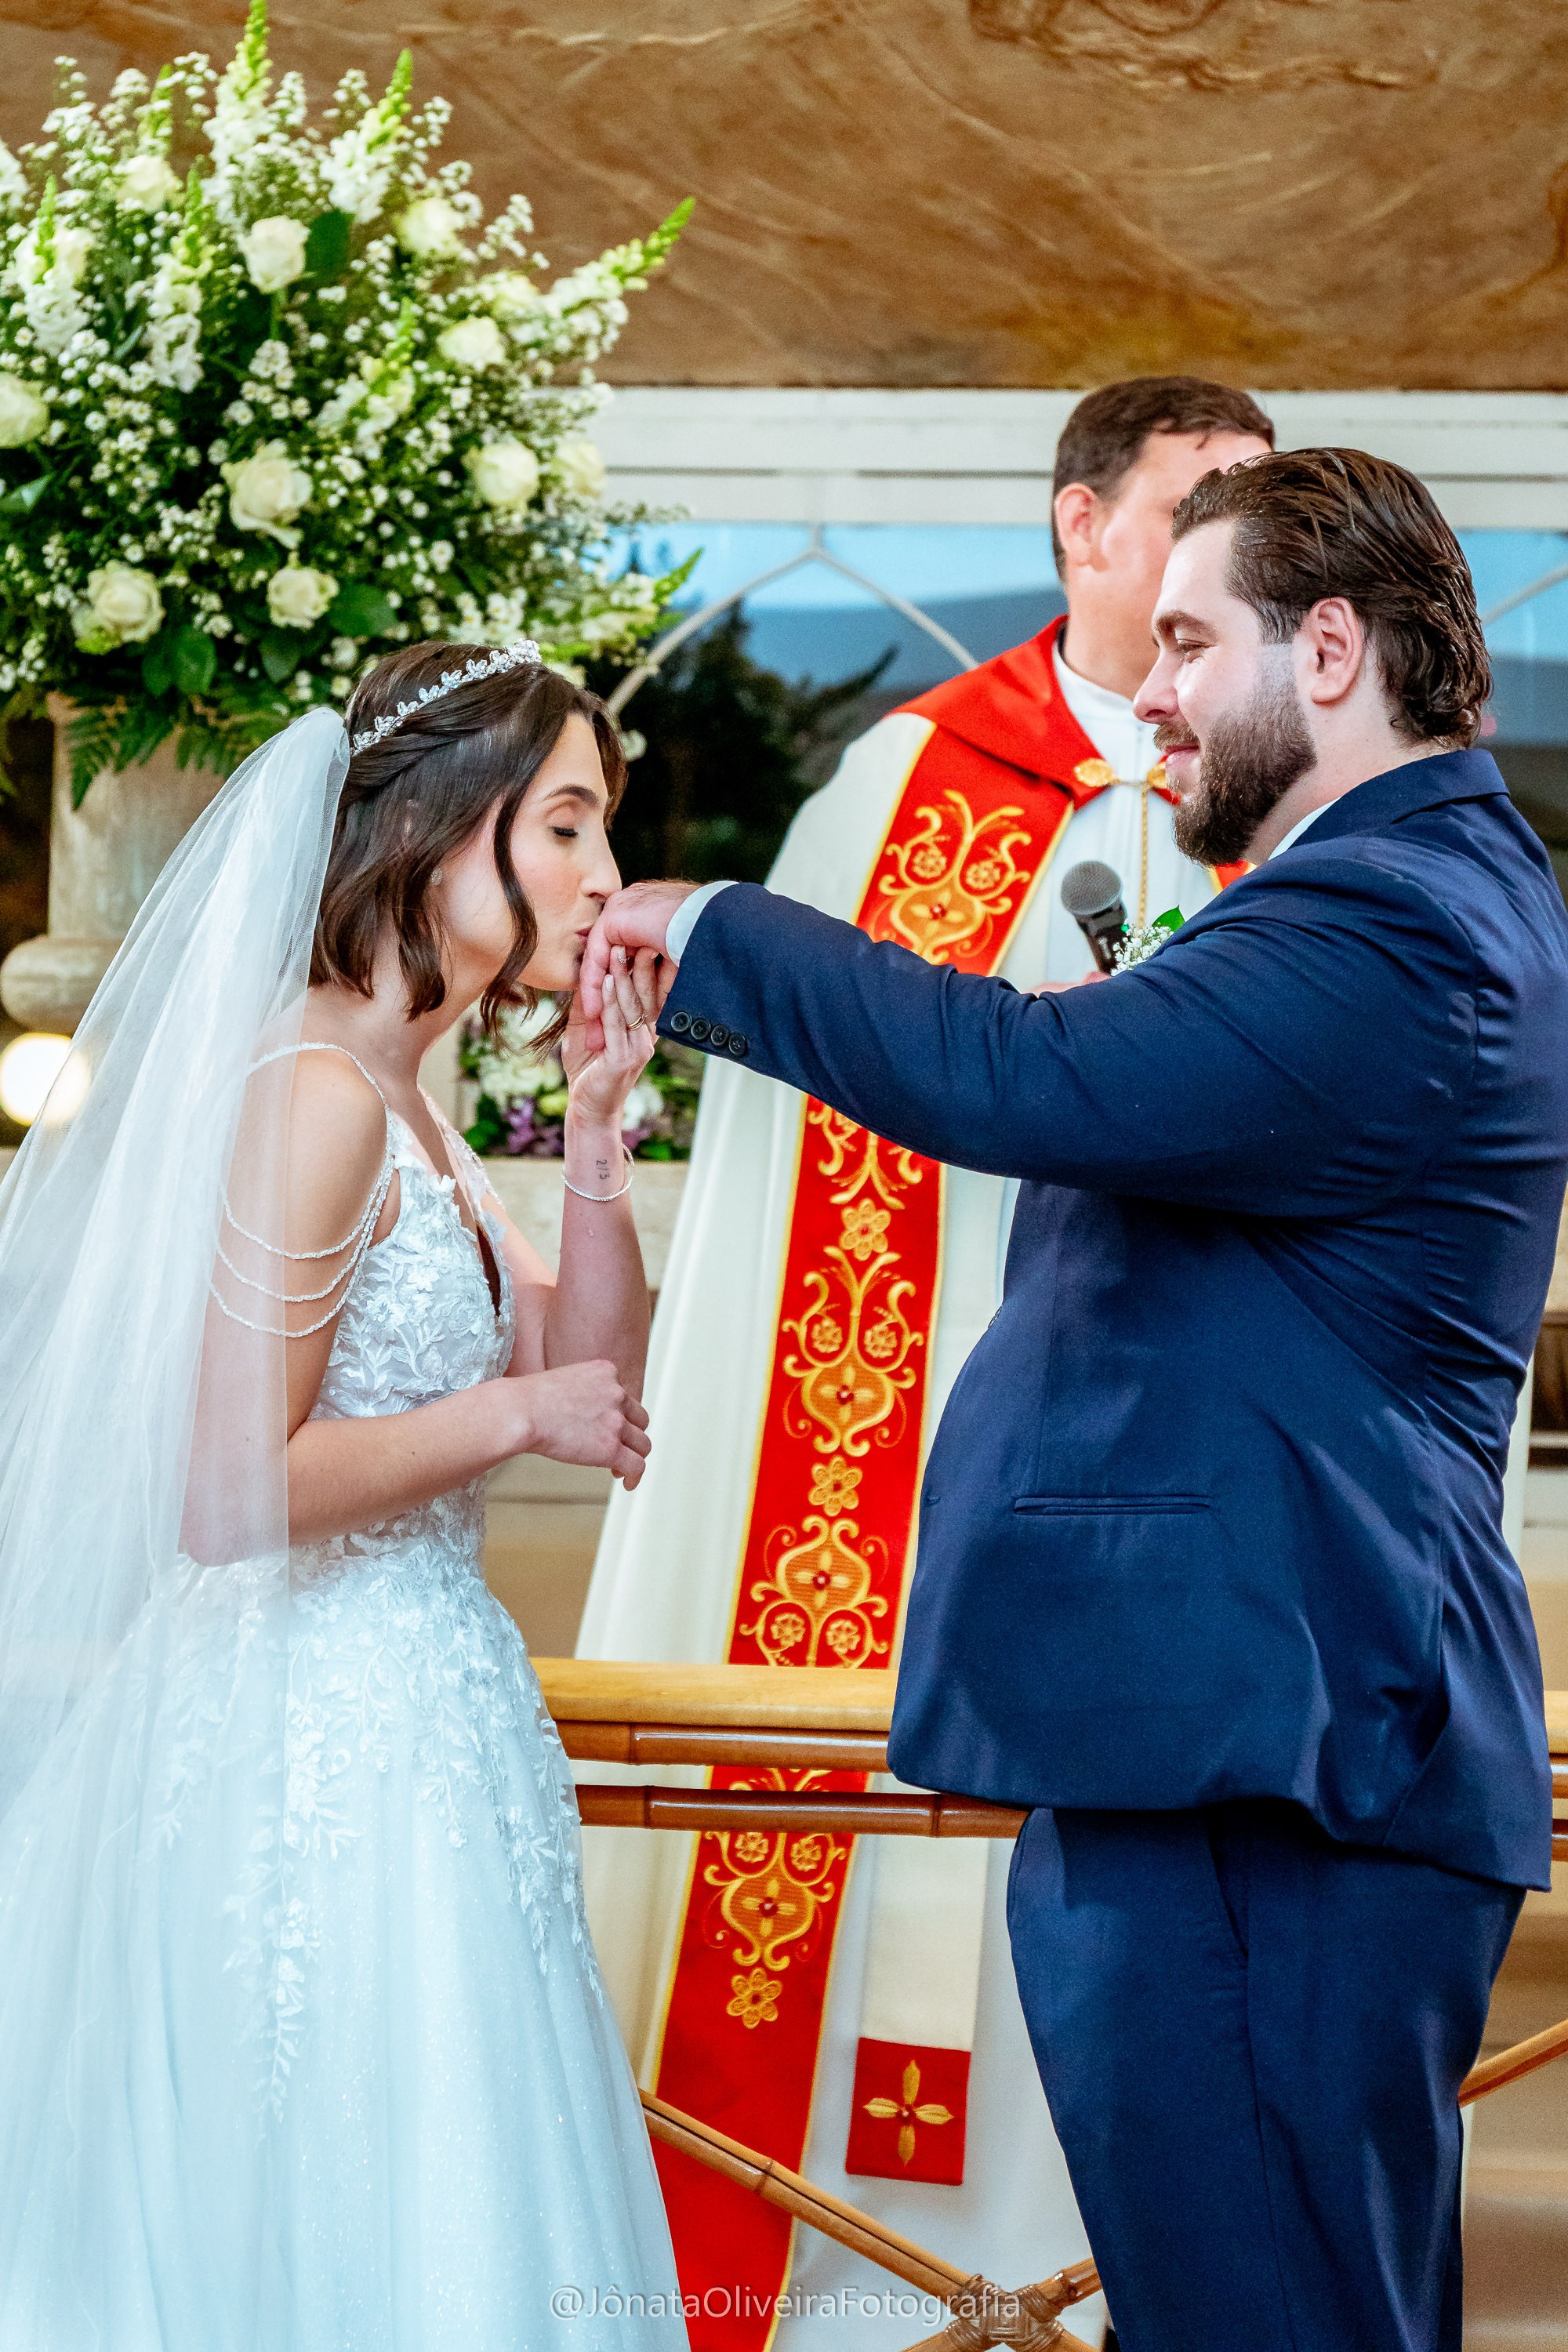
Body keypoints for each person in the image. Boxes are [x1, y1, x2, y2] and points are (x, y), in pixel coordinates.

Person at [582, 448, 1568, 2351]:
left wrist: (714, 931)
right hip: (1237, 1744)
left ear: (1335, 649)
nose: (1156, 689)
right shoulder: (1413, 886)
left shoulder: (1397, 916)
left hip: (1271, 1759)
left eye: (1193, 643)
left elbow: (1020, 1074)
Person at [575, 376, 1272, 2346]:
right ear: (1081, 529)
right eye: (1202, 501)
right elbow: (815, 1164)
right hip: (887, 1487)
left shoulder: (1286, 802)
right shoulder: (902, 787)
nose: (1242, 540)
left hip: (1165, 1494)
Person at [0, 642, 684, 2349]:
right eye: (569, 828)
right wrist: (513, 1406)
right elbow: (229, 1489)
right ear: (445, 831)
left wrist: (594, 1148)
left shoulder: (414, 1105)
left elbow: (593, 1388)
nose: (604, 878)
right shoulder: (310, 1094)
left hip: (426, 1719)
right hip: (296, 1730)